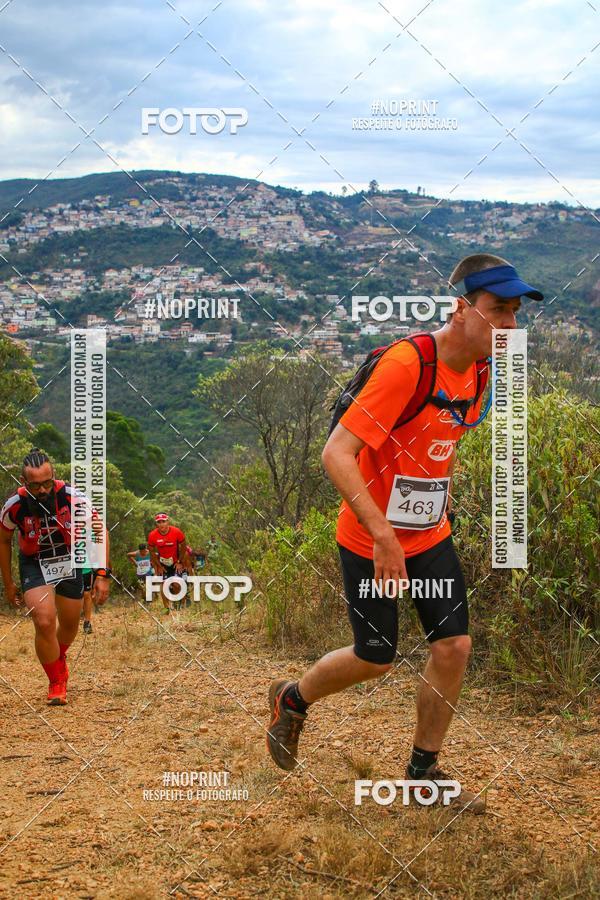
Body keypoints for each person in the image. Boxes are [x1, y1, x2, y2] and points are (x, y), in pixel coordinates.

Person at [266, 255, 543, 813]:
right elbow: (336, 455)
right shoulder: (406, 365)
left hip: (429, 534)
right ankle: (291, 699)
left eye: (514, 313)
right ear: (461, 309)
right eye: (496, 311)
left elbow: (444, 436)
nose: (508, 326)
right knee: (376, 657)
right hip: (371, 539)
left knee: (454, 646)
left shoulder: (488, 367)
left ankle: (422, 773)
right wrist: (383, 534)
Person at [0, 449, 111, 705]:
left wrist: (102, 574)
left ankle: (57, 658)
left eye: (47, 483)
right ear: (23, 482)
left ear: (55, 477)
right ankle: (56, 680)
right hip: (35, 563)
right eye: (35, 485)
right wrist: (9, 583)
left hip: (69, 559)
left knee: (70, 623)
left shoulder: (73, 498)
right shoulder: (13, 506)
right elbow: (4, 541)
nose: (42, 491)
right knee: (44, 620)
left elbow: (100, 530)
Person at [147, 514, 187, 613]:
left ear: (168, 521)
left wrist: (180, 562)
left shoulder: (176, 531)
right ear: (156, 524)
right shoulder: (152, 535)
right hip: (163, 564)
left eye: (163, 521)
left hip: (175, 563)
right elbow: (151, 552)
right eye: (159, 522)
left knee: (177, 584)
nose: (161, 524)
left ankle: (182, 605)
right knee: (164, 584)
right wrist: (159, 566)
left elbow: (183, 546)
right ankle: (167, 608)